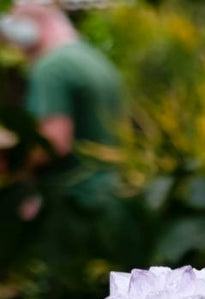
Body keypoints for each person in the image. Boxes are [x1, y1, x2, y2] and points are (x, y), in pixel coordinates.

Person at [0, 0, 122, 173]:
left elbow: (54, 142)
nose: (17, 49)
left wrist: (13, 169)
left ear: (26, 30)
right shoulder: (93, 58)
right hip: (110, 185)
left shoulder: (53, 67)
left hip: (76, 191)